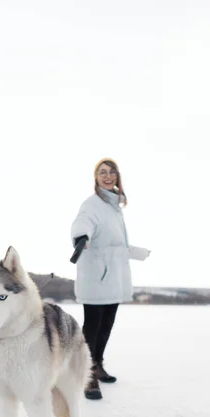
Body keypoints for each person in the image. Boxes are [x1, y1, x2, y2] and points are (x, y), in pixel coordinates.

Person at [71, 158, 150, 400]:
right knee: (92, 327)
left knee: (106, 325)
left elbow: (114, 243)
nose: (108, 176)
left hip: (113, 275)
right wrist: (81, 237)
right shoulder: (92, 204)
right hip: (97, 275)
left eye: (112, 172)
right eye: (102, 172)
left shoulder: (114, 206)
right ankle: (86, 375)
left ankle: (97, 364)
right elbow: (83, 222)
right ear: (96, 177)